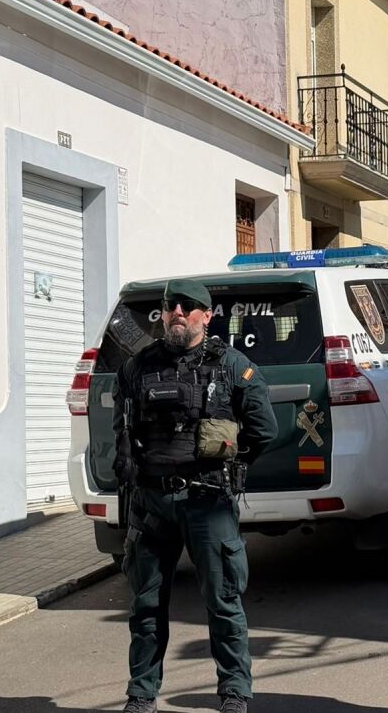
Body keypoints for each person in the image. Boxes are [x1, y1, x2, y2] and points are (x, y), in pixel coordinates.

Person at [113, 279, 277, 713]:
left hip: (207, 501)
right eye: (171, 306)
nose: (178, 312)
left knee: (223, 602)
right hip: (151, 504)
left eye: (188, 306)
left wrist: (228, 462)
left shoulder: (231, 366)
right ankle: (141, 694)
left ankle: (235, 692)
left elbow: (264, 430)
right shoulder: (137, 368)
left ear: (207, 315)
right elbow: (122, 432)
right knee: (146, 606)